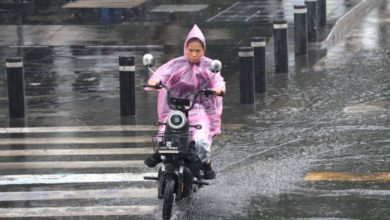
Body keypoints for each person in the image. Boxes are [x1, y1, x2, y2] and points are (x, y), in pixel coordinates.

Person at [143, 24, 226, 180]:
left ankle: (206, 163)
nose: (194, 54)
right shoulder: (176, 64)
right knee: (164, 136)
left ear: (203, 50)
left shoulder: (209, 66)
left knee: (201, 140)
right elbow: (162, 74)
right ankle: (162, 157)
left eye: (198, 51)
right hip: (175, 108)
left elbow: (218, 80)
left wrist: (217, 89)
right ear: (185, 48)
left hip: (199, 109)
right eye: (191, 50)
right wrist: (154, 81)